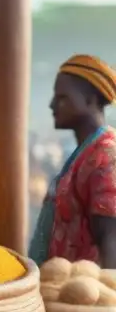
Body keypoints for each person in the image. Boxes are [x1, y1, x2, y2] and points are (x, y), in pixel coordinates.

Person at [30, 54, 116, 266]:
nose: (52, 105)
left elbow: (111, 241)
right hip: (65, 289)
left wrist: (107, 295)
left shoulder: (105, 154)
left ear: (90, 100)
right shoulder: (86, 152)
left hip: (86, 293)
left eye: (62, 98)